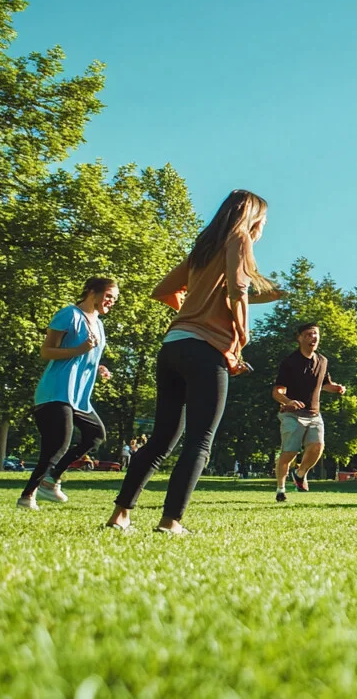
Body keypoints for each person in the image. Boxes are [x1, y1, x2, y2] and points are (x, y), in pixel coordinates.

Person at [107, 190, 279, 534]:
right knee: (200, 440)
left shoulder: (204, 248)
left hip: (172, 345)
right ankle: (171, 522)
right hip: (205, 350)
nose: (262, 229)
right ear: (254, 218)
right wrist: (241, 337)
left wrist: (193, 313)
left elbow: (163, 290)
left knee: (161, 439)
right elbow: (238, 290)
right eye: (263, 222)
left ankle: (120, 516)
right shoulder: (240, 238)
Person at [17, 278, 118, 510]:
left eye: (114, 299)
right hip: (56, 391)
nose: (111, 302)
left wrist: (98, 366)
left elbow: (88, 354)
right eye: (109, 296)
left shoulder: (99, 324)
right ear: (93, 292)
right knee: (58, 445)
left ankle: (51, 481)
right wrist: (79, 350)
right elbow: (46, 351)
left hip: (79, 396)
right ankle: (27, 496)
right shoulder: (68, 315)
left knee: (95, 434)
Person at [272, 323, 346, 502]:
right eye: (309, 334)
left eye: (316, 334)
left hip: (314, 414)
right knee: (289, 453)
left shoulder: (323, 361)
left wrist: (335, 388)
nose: (313, 337)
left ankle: (300, 473)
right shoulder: (290, 362)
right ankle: (281, 490)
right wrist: (289, 401)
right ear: (300, 338)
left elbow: (324, 384)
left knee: (317, 446)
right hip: (292, 414)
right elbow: (277, 391)